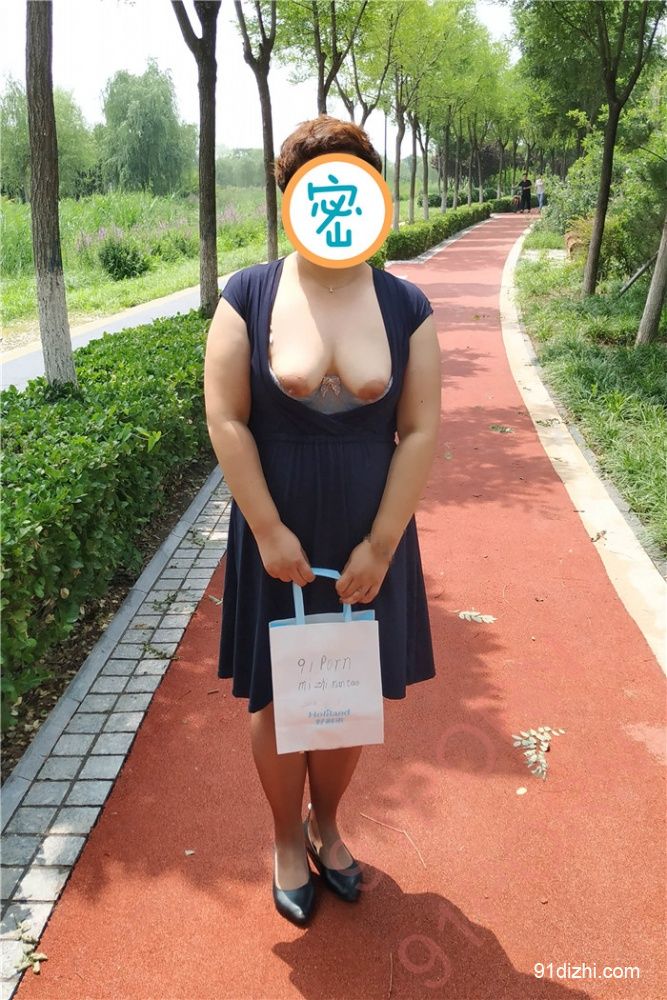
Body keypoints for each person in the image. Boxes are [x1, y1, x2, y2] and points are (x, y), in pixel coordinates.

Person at [203, 115, 441, 927]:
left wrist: (382, 543)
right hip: (278, 528)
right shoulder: (248, 294)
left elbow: (420, 429)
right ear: (288, 197)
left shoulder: (405, 304)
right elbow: (226, 418)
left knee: (348, 691)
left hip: (370, 529)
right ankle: (282, 836)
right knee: (278, 694)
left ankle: (327, 825)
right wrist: (268, 530)